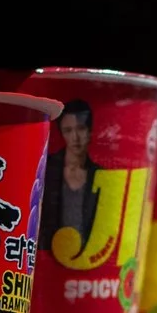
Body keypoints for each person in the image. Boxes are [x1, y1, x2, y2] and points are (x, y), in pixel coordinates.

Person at [40, 100, 98, 257]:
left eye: (81, 128)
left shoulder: (99, 174)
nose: (75, 137)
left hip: (87, 263)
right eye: (68, 130)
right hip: (48, 263)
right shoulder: (45, 168)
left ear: (89, 130)